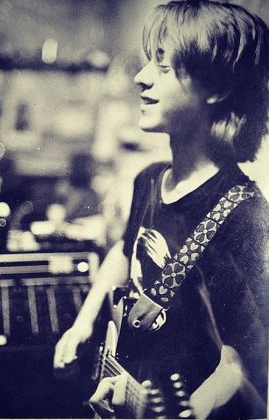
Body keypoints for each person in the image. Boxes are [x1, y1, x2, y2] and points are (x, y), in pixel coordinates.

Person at [54, 1, 269, 418]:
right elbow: (124, 251)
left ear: (217, 89)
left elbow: (242, 361)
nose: (140, 77)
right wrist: (83, 324)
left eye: (163, 67)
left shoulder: (243, 217)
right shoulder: (148, 179)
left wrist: (189, 410)